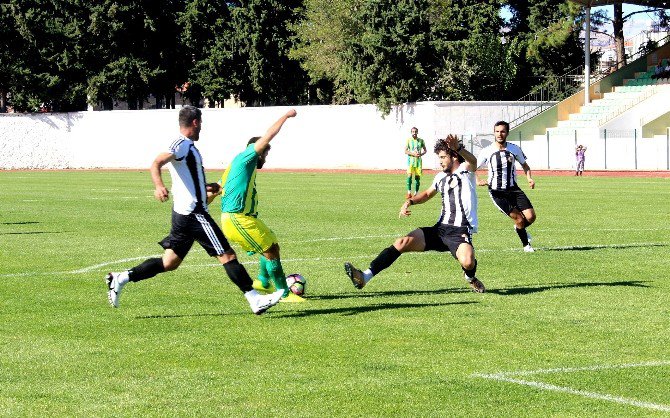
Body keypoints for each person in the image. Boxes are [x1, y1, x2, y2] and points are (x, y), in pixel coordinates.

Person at [104, 106, 284, 315]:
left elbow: (186, 178)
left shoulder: (187, 147)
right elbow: (157, 162)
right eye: (202, 124)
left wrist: (208, 188)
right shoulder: (180, 145)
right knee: (227, 255)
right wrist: (158, 185)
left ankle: (121, 277)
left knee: (169, 262)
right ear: (196, 122)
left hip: (183, 214)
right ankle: (254, 300)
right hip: (194, 213)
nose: (202, 129)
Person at [344, 134, 485, 293]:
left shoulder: (466, 170)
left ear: (453, 156)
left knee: (467, 262)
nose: (440, 161)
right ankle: (365, 277)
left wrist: (459, 148)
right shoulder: (440, 177)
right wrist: (410, 201)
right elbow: (426, 194)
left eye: (443, 157)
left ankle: (470, 278)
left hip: (459, 232)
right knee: (402, 243)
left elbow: (473, 161)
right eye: (439, 157)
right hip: (440, 230)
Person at [214, 109, 305, 303]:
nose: (265, 158)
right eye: (265, 153)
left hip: (245, 218)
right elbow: (269, 134)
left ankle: (263, 281)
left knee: (273, 244)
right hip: (236, 218)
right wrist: (286, 116)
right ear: (257, 150)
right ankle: (284, 294)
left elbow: (218, 188)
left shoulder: (238, 165)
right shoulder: (247, 158)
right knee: (270, 250)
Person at [476, 121, 537, 253]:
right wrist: (478, 180)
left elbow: (525, 165)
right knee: (519, 219)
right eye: (497, 131)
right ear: (494, 133)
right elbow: (473, 167)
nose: (500, 134)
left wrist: (529, 178)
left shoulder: (514, 149)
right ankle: (526, 245)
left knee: (531, 217)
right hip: (497, 192)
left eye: (502, 131)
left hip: (514, 189)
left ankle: (519, 228)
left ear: (507, 133)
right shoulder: (487, 151)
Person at [405, 127, 427, 198]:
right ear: (411, 132)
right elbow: (405, 151)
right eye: (413, 132)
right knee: (409, 176)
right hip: (410, 161)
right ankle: (409, 193)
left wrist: (421, 154)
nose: (414, 133)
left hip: (418, 162)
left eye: (415, 132)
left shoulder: (421, 141)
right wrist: (413, 154)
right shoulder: (408, 140)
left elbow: (425, 150)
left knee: (417, 178)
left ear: (417, 132)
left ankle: (416, 193)